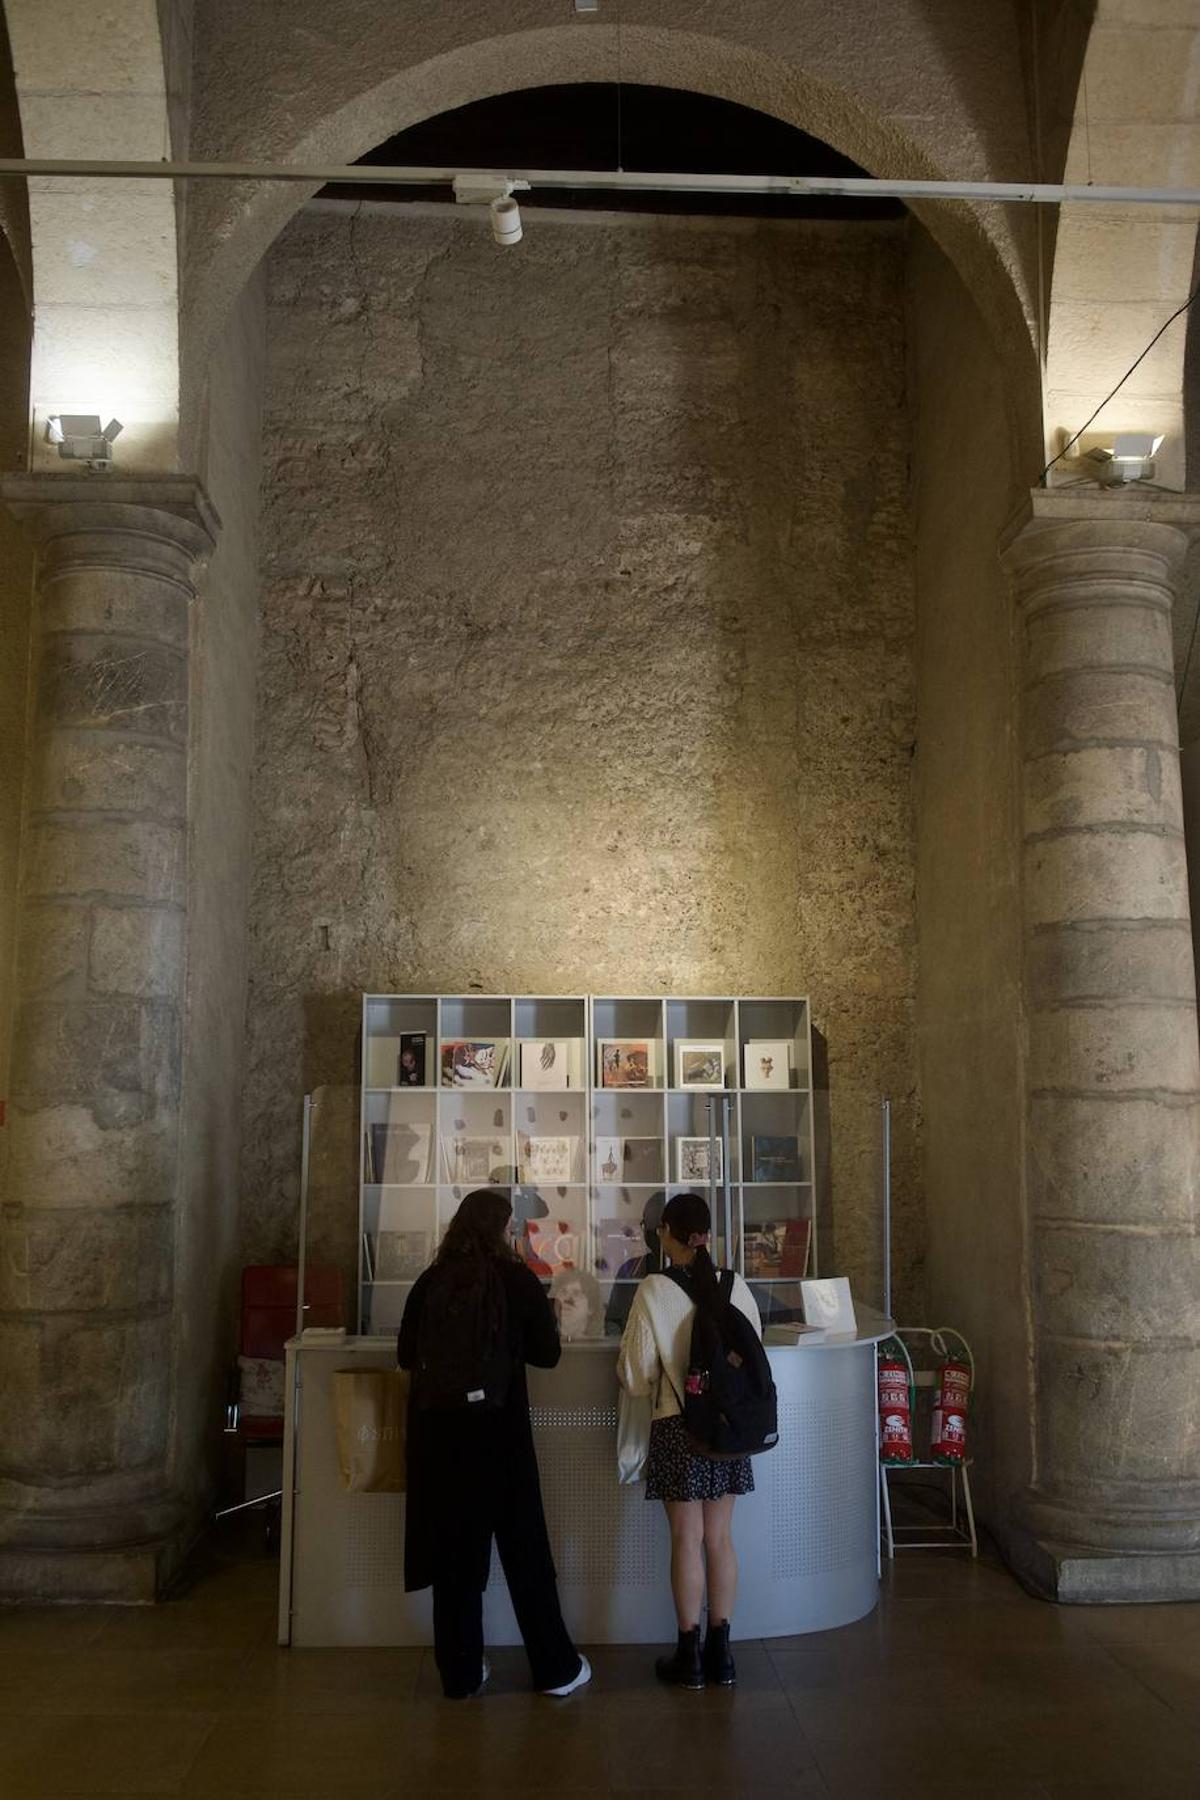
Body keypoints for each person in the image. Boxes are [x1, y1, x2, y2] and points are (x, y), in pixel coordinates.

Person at [397, 1188, 591, 1700]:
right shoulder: (515, 1279)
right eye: (510, 1228)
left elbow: (403, 1352)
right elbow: (548, 1355)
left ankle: (460, 1675)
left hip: (441, 1442)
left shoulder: (430, 1281)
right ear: (499, 1231)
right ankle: (555, 1669)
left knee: (455, 1562)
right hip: (501, 1437)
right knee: (525, 1554)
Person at [616, 1191, 762, 1690]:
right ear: (709, 1237)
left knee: (687, 1538)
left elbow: (635, 1377)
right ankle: (723, 1656)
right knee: (721, 1538)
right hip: (727, 1429)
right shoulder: (736, 1285)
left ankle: (689, 1655)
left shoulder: (654, 1289)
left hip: (678, 1428)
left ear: (665, 1234)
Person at [603, 1190, 666, 1335]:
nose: (653, 1233)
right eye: (647, 1225)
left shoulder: (689, 1272)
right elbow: (612, 1322)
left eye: (658, 1227)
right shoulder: (630, 1269)